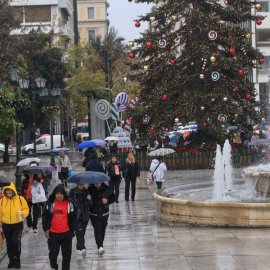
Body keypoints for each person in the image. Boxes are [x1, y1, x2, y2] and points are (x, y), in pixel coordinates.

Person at [42, 184, 77, 270]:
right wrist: (46, 229)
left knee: (67, 255)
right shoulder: (50, 203)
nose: (59, 196)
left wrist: (71, 230)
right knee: (53, 253)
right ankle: (54, 266)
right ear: (54, 194)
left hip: (66, 233)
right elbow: (45, 216)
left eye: (61, 194)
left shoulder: (70, 203)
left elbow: (74, 217)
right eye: (57, 193)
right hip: (53, 233)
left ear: (64, 194)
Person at [0, 183, 29, 269]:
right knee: (9, 243)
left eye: (10, 192)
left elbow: (26, 209)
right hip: (6, 225)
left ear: (13, 191)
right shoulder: (1, 201)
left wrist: (22, 213)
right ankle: (11, 260)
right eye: (7, 193)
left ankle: (17, 260)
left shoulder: (20, 199)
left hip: (17, 225)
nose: (8, 195)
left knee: (15, 242)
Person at [88, 182, 115, 255]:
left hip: (104, 214)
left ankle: (100, 245)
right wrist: (89, 199)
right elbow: (87, 203)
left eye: (99, 182)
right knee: (98, 230)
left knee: (102, 230)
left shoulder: (107, 189)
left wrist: (107, 200)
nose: (97, 184)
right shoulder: (90, 190)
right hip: (94, 214)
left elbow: (114, 198)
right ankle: (100, 246)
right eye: (96, 183)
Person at [69, 183, 92, 257]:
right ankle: (82, 248)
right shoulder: (73, 192)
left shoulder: (86, 191)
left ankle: (78, 247)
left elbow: (90, 205)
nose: (81, 186)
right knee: (79, 232)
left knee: (82, 233)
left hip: (85, 216)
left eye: (82, 184)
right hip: (76, 217)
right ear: (77, 184)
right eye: (79, 184)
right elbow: (69, 203)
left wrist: (89, 199)